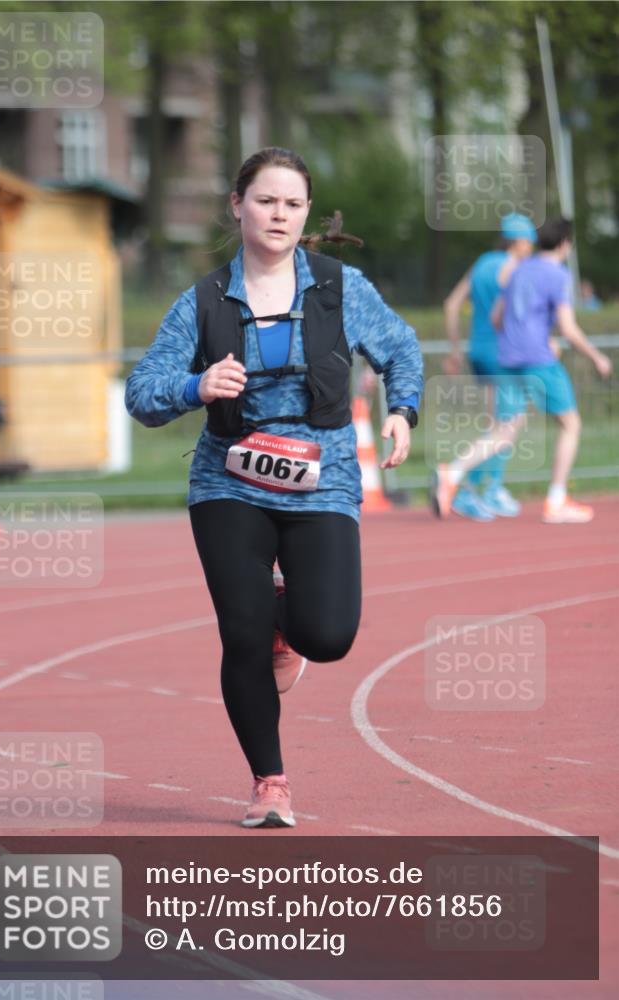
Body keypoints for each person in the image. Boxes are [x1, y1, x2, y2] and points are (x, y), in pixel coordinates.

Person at [126, 147, 423, 828]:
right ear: (237, 205)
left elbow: (401, 348)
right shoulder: (201, 301)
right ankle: (269, 782)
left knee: (329, 635)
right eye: (264, 200)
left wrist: (401, 410)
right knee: (241, 631)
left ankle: (288, 621)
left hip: (323, 479)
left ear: (306, 213)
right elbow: (142, 393)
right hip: (228, 481)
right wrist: (193, 386)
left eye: (291, 203)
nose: (278, 214)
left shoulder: (340, 287)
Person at [432, 217, 612, 524]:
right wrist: (597, 357)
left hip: (507, 357)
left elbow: (496, 318)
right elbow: (567, 328)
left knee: (506, 426)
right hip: (536, 357)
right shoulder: (556, 274)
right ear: (565, 243)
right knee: (570, 424)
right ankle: (555, 499)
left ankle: (454, 473)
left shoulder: (517, 269)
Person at [443, 213, 536, 520]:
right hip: (504, 354)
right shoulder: (514, 267)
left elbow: (451, 304)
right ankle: (466, 485)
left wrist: (455, 349)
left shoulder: (483, 262)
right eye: (530, 242)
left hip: (477, 350)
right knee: (507, 425)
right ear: (520, 241)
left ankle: (490, 487)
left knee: (500, 423)